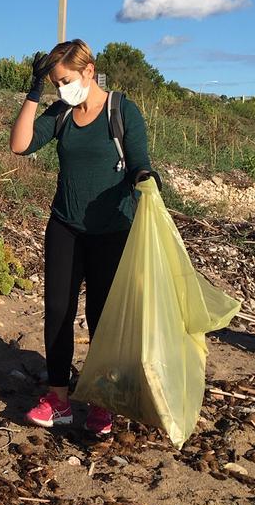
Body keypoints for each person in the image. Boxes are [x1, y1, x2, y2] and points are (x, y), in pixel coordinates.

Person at [9, 39, 158, 435]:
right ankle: (58, 398)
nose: (63, 89)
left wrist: (144, 179)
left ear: (89, 71)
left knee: (102, 318)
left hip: (112, 230)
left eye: (67, 80)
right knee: (58, 311)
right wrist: (35, 90)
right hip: (65, 225)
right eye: (57, 83)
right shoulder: (60, 113)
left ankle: (102, 401)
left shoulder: (122, 111)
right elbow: (20, 144)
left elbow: (139, 160)